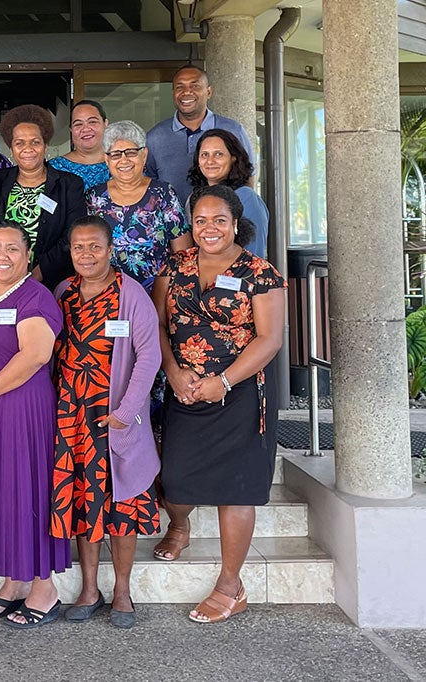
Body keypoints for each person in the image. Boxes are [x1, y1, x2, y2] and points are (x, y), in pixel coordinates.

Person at [151, 184, 286, 623]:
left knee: (236, 488)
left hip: (241, 392)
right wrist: (172, 371)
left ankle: (232, 585)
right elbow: (158, 324)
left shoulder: (259, 272)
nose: (209, 229)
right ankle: (180, 524)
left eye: (219, 220)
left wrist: (224, 380)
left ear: (235, 223)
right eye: (201, 221)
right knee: (173, 477)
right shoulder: (175, 263)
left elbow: (270, 339)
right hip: (184, 389)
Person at [50, 215, 162, 630]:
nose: (86, 254)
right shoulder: (63, 292)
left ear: (111, 248)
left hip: (114, 417)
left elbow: (149, 356)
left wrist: (127, 412)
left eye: (94, 246)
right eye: (78, 247)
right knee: (83, 501)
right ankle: (90, 589)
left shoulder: (131, 294)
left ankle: (122, 591)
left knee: (121, 506)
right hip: (72, 418)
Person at [0, 222, 71, 629]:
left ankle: (44, 587)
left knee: (28, 491)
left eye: (11, 248)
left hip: (22, 407)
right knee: (1, 493)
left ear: (28, 255)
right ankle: (12, 582)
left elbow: (36, 355)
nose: (1, 255)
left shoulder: (34, 296)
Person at [0, 104, 85, 289]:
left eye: (35, 141)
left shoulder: (69, 184)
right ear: (11, 149)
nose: (28, 148)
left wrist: (36, 274)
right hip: (3, 277)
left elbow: (73, 236)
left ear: (45, 146)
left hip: (52, 280)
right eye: (19, 143)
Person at [87, 120, 192, 292]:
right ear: (106, 159)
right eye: (115, 154)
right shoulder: (94, 198)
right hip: (107, 293)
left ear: (144, 155)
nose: (124, 160)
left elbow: (183, 254)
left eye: (131, 152)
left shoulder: (163, 193)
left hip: (158, 293)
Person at [145, 65, 255, 202]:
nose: (186, 92)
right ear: (173, 92)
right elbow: (148, 183)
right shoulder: (155, 137)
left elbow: (248, 177)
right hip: (172, 221)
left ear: (208, 92)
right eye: (180, 87)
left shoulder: (233, 130)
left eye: (195, 86)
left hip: (221, 220)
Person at [187, 128, 269, 259]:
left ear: (234, 158)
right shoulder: (196, 198)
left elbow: (253, 254)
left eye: (218, 154)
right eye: (204, 155)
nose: (210, 161)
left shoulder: (247, 197)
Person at [49, 100, 111, 192]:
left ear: (105, 123)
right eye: (78, 124)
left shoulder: (123, 163)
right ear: (71, 129)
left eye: (92, 122)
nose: (85, 129)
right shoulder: (54, 168)